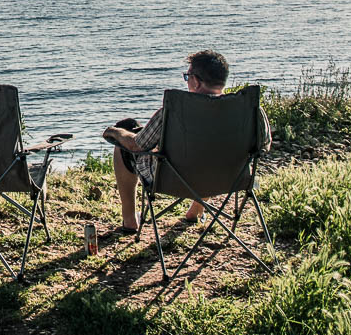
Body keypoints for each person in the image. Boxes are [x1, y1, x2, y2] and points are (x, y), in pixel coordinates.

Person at [102, 50, 268, 234]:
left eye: (187, 76)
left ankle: (130, 222)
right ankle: (196, 211)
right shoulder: (251, 110)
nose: (187, 80)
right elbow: (263, 146)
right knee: (209, 151)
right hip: (232, 178)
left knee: (123, 148)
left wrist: (115, 132)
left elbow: (136, 145)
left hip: (174, 179)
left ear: (196, 81)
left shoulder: (174, 111)